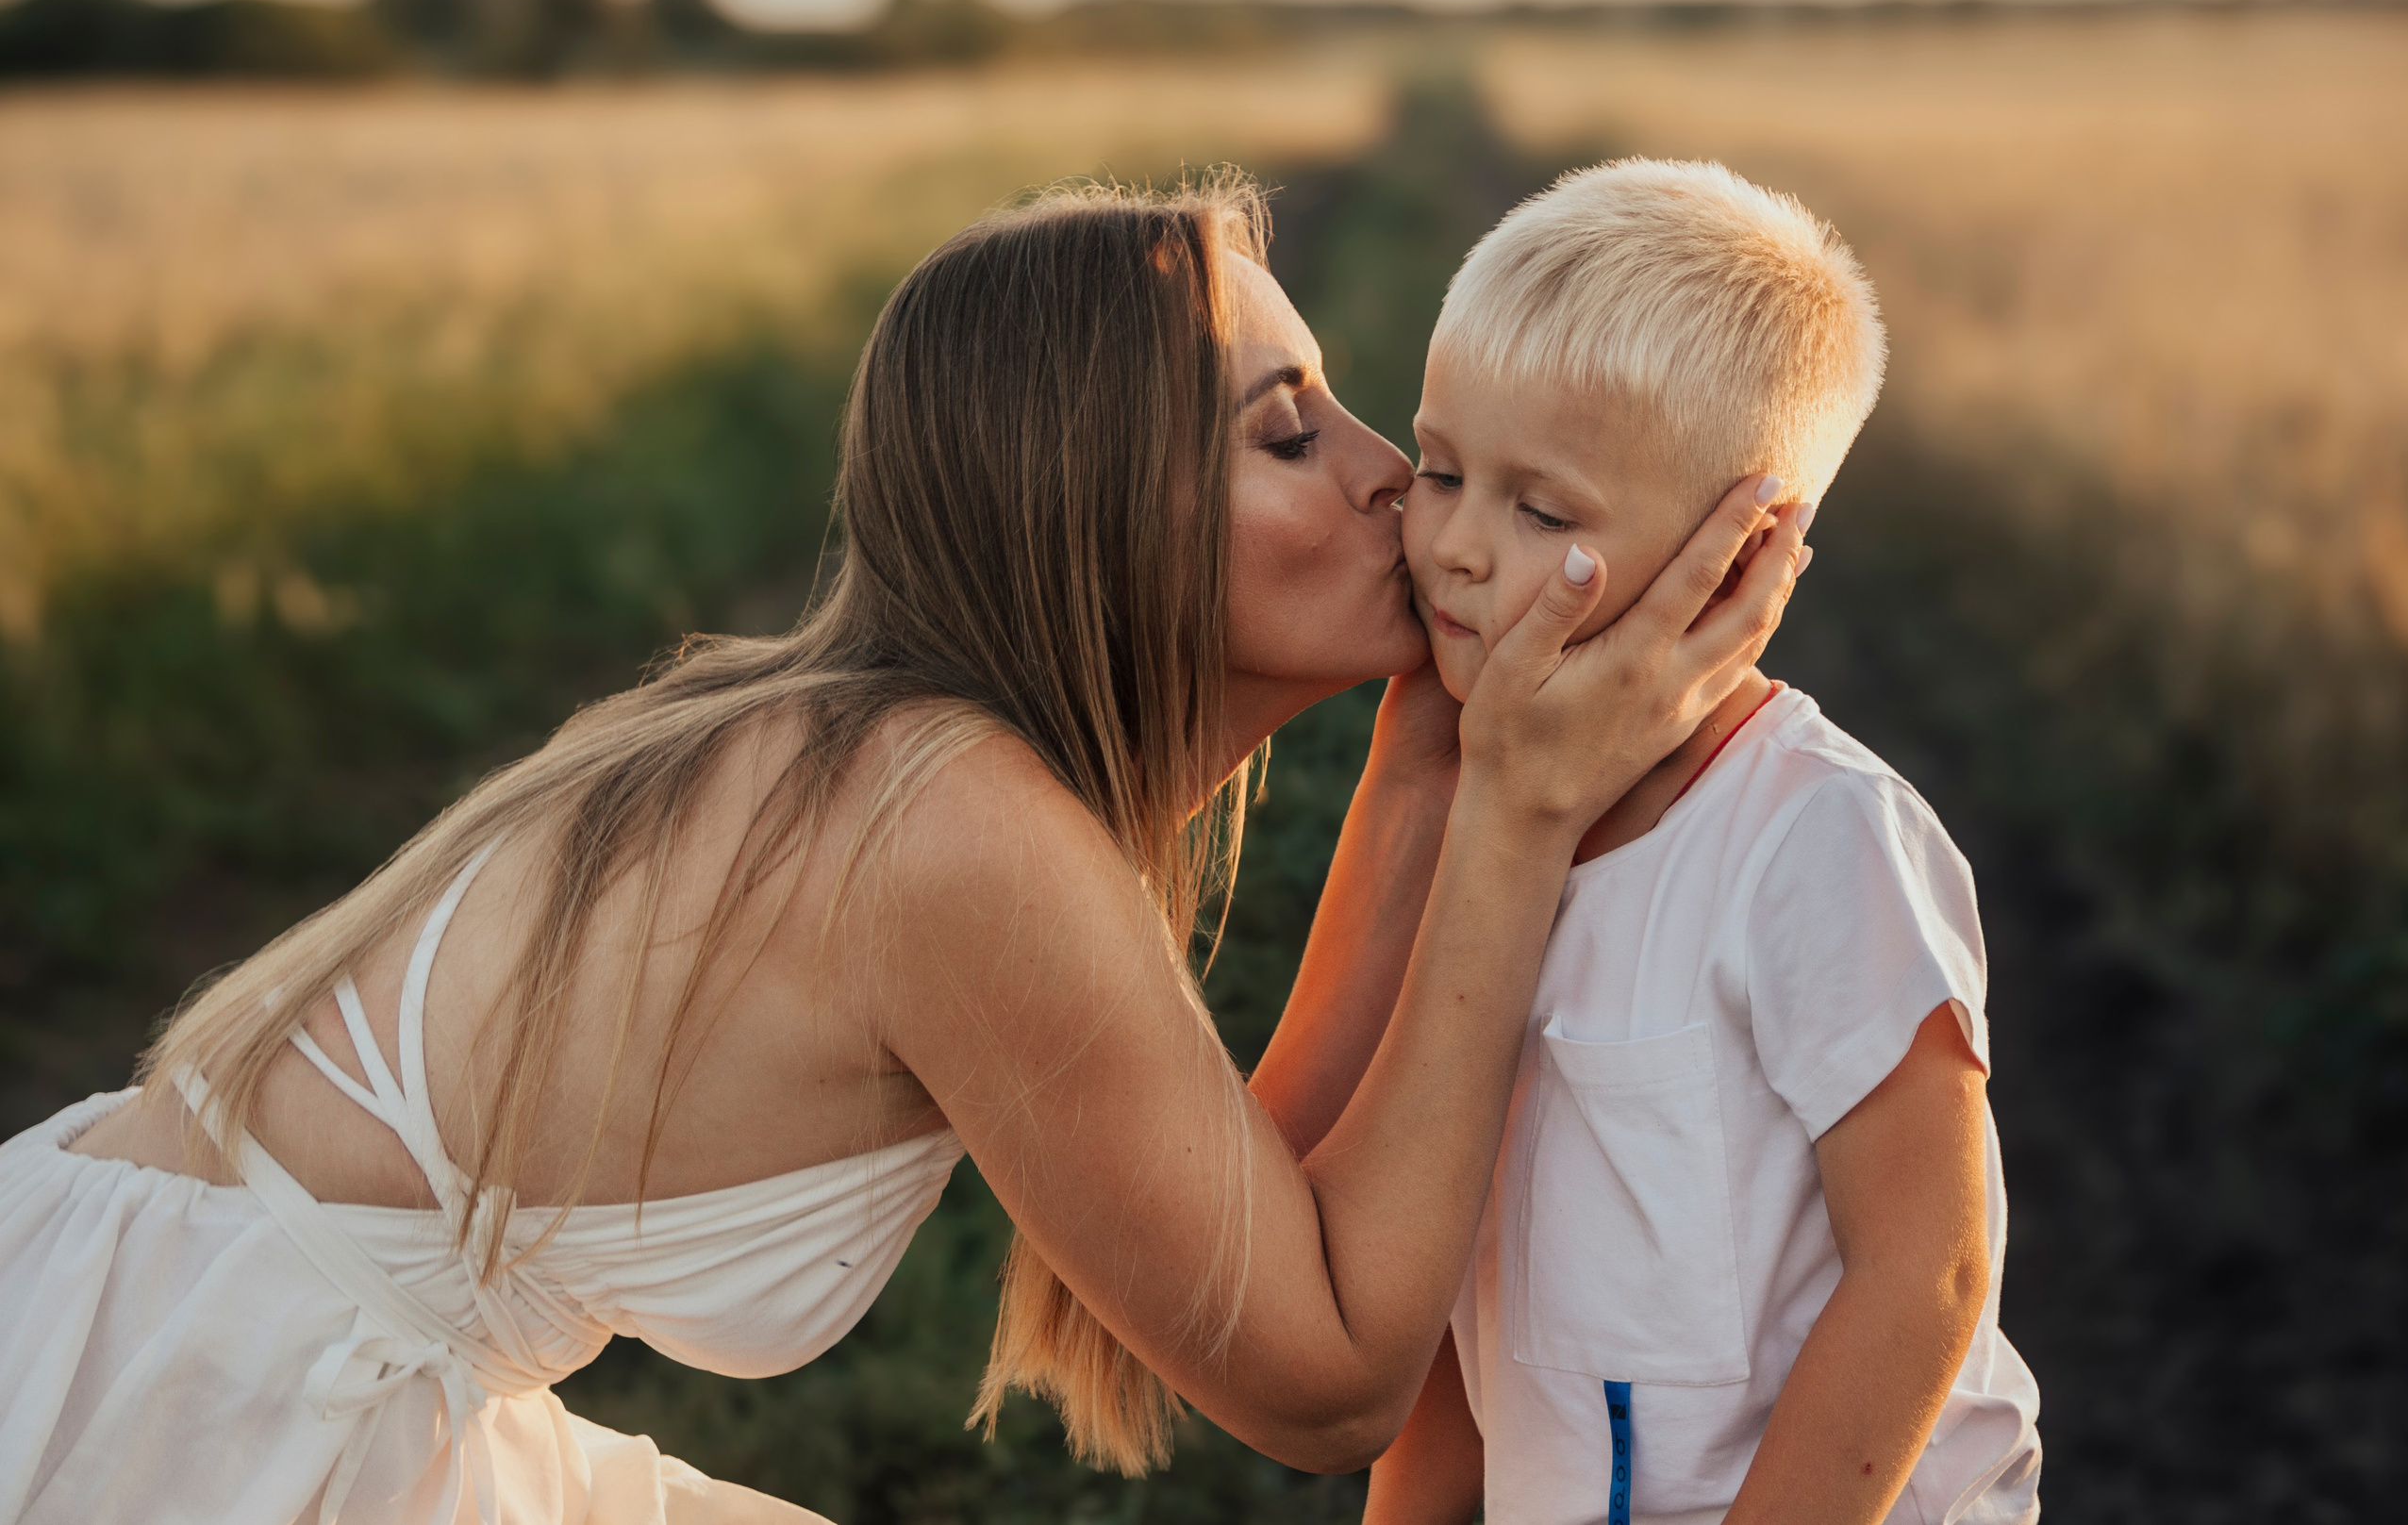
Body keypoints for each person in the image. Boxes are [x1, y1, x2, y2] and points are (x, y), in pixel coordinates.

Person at [0, 177, 1805, 1525]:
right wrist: (1520, 811)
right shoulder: (939, 822)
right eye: (1285, 431)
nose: (1388, 474)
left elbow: (1252, 1219)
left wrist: (1436, 761)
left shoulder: (873, 752)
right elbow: (1328, 1380)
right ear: (1092, 503)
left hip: (157, 1311)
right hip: (200, 1426)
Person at [1362, 160, 2042, 1525]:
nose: (1457, 547)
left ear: (1739, 559)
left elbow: (1930, 1269)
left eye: (1542, 511)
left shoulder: (1815, 836)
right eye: (1439, 471)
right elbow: (1448, 1293)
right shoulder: (1482, 820)